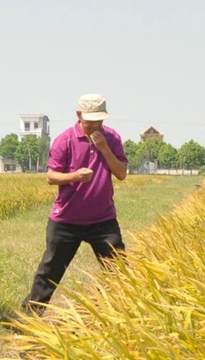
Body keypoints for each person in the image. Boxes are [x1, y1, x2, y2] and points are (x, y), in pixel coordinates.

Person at [24, 93, 128, 310]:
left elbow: (121, 173)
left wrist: (105, 149)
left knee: (119, 270)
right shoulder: (65, 140)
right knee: (50, 271)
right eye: (90, 121)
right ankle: (29, 318)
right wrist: (74, 177)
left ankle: (122, 314)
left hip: (102, 219)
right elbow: (51, 177)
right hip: (66, 220)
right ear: (79, 115)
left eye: (99, 120)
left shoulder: (112, 138)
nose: (95, 125)